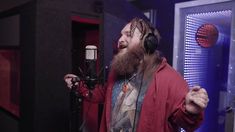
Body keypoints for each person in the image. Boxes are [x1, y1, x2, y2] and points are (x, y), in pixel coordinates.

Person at [64, 17, 209, 132]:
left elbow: (186, 122)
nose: (120, 40)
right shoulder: (118, 72)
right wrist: (80, 87)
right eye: (121, 35)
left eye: (128, 34)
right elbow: (105, 93)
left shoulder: (171, 79)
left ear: (148, 42)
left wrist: (191, 111)